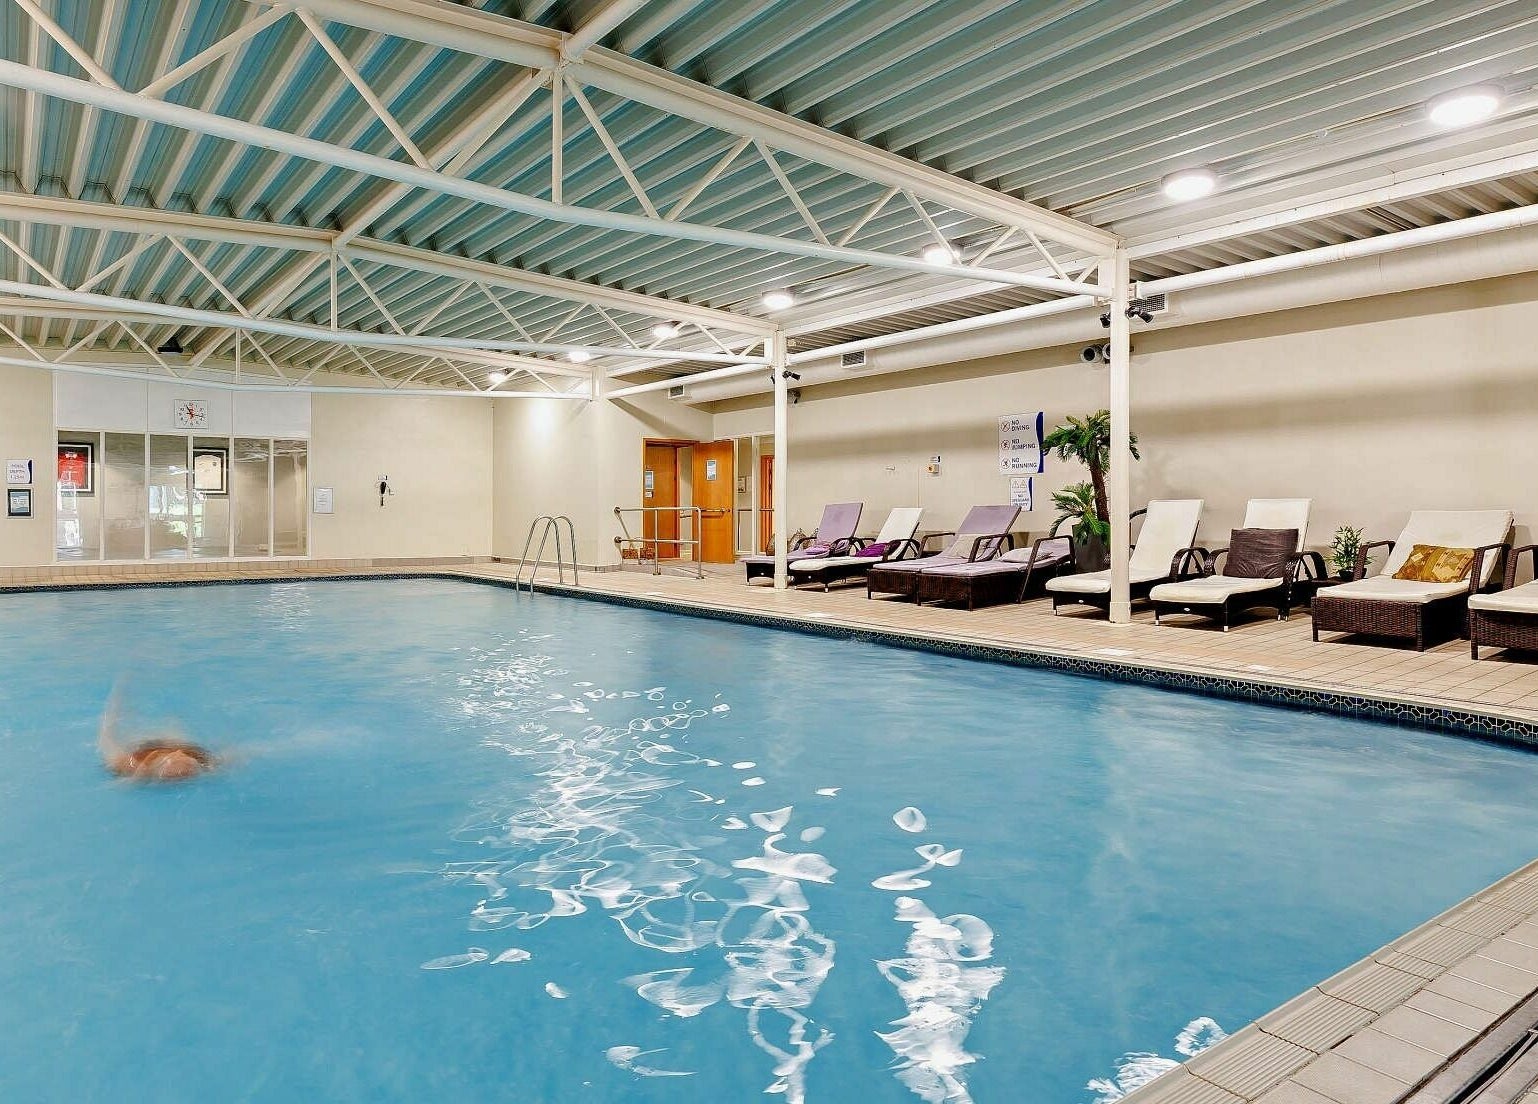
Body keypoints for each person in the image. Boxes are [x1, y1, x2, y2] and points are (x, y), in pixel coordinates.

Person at [99, 685, 217, 783]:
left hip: (158, 758)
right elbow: (108, 738)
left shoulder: (201, 761)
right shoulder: (130, 765)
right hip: (149, 758)